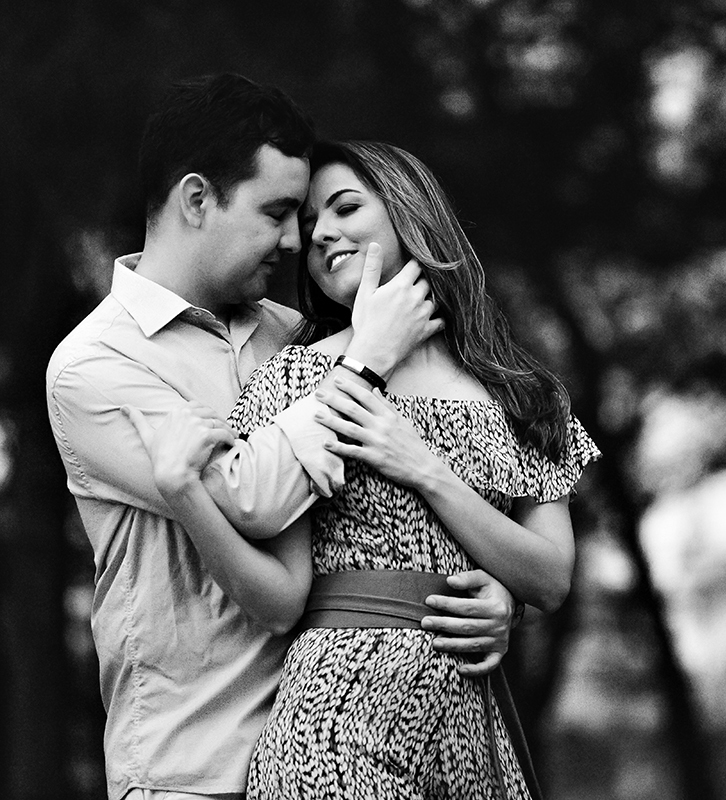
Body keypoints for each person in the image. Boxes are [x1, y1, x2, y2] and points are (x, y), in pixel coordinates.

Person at [45, 74, 518, 800]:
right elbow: (249, 496)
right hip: (193, 769)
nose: (298, 240)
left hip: (347, 744)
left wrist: (484, 597)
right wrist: (365, 361)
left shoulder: (294, 338)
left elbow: (376, 512)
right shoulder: (95, 367)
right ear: (197, 200)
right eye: (276, 213)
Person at [127, 139, 600, 800]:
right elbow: (280, 587)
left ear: (410, 213)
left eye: (345, 208)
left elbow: (550, 579)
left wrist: (428, 474)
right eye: (310, 222)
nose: (320, 233)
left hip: (473, 734)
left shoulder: (524, 394)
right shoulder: (297, 380)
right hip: (335, 727)